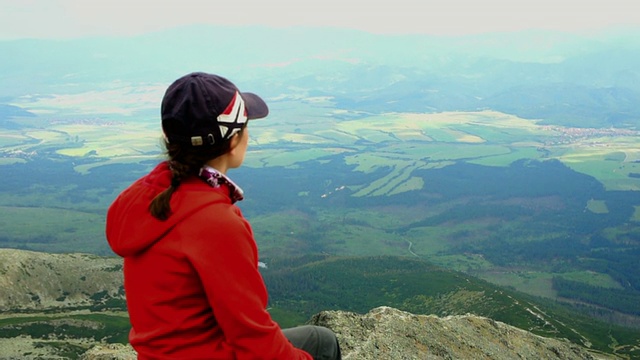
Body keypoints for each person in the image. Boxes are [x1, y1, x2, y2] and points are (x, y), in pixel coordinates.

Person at [106, 72, 341, 360]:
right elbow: (253, 341)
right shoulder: (216, 224)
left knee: (319, 340)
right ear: (233, 141)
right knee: (321, 347)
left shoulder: (144, 198)